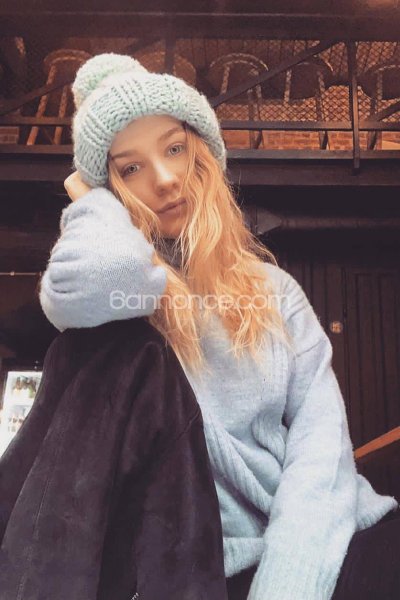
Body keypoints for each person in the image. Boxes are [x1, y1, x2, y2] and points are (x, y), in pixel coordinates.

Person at [38, 53, 400, 600]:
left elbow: (321, 447)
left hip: (316, 538)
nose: (164, 179)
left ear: (203, 154)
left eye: (174, 149)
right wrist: (93, 204)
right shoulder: (120, 303)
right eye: (130, 168)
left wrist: (288, 584)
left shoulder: (275, 291)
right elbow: (83, 287)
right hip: (187, 566)